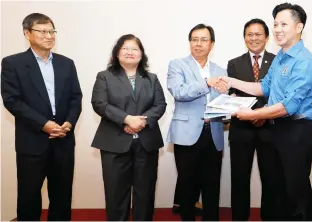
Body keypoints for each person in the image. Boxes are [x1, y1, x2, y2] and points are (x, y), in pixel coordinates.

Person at [219, 3, 312, 220]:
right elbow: (263, 87)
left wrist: (251, 114)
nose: (278, 29)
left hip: (297, 131)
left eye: (284, 24)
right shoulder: (281, 57)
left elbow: (287, 106)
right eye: (275, 24)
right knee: (279, 192)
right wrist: (231, 80)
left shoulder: (304, 61)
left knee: (296, 193)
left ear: (299, 27)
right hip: (278, 131)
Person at [1, 13, 82, 221]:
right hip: (32, 141)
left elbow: (76, 97)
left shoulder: (67, 63)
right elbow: (12, 100)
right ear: (27, 33)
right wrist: (44, 124)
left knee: (62, 197)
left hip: (63, 140)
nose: (49, 36)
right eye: (42, 31)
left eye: (52, 31)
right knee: (29, 198)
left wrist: (69, 123)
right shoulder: (13, 63)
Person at [91, 34, 166, 221]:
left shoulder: (151, 78)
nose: (130, 52)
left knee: (145, 193)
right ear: (117, 53)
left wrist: (140, 122)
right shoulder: (104, 77)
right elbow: (99, 103)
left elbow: (160, 105)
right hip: (114, 143)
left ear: (141, 55)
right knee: (116, 194)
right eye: (125, 48)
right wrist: (126, 119)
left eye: (135, 48)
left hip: (146, 142)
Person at [166, 24, 228, 221]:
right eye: (194, 39)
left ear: (212, 44)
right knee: (187, 184)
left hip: (214, 132)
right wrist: (206, 83)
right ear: (190, 42)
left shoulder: (220, 70)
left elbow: (221, 102)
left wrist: (231, 107)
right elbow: (179, 92)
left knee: (212, 185)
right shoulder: (177, 65)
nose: (198, 44)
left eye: (203, 40)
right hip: (187, 133)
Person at [226, 18, 277, 221]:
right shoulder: (234, 63)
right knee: (239, 179)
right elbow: (232, 95)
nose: (254, 38)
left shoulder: (278, 61)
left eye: (258, 34)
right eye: (250, 34)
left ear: (266, 37)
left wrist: (262, 114)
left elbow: (280, 94)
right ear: (244, 37)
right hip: (241, 130)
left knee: (271, 179)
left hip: (270, 129)